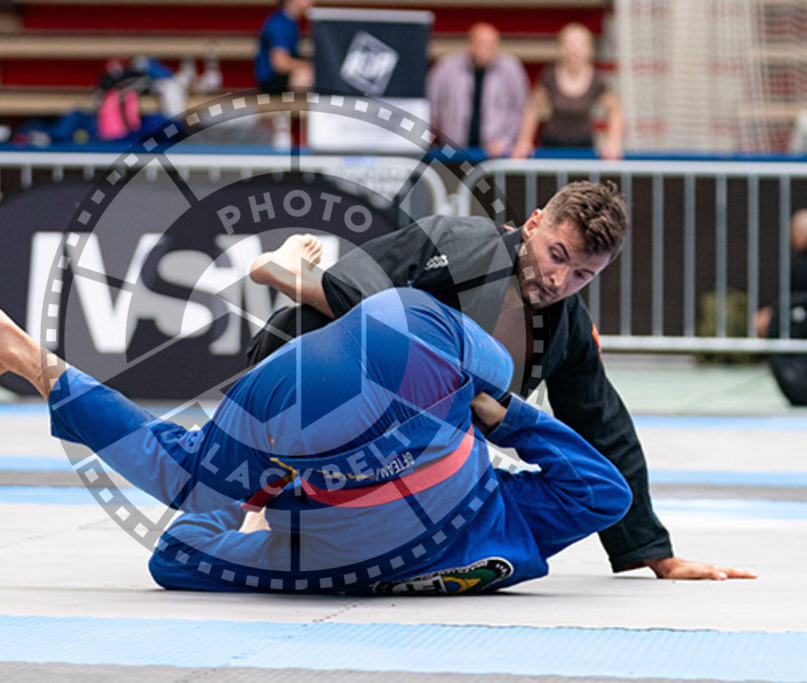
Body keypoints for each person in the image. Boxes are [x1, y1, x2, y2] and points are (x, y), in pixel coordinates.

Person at [0, 288, 633, 595]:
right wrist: (508, 417)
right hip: (341, 445)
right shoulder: (514, 523)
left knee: (190, 478)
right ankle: (23, 354)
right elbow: (607, 492)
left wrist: (502, 411)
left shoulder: (508, 507)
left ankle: (23, 353)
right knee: (184, 502)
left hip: (394, 357)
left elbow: (601, 490)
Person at [247, 181, 756, 581]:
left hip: (423, 447)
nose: (560, 281)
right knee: (343, 312)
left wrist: (653, 553)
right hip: (333, 395)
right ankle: (282, 273)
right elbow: (341, 296)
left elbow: (602, 423)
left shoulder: (567, 328)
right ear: (534, 224)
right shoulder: (449, 244)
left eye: (582, 274)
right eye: (557, 254)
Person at [511, 23, 624, 160]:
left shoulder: (597, 80)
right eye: (569, 43)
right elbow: (532, 109)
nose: (574, 49)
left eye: (579, 44)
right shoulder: (549, 76)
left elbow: (615, 111)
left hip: (584, 147)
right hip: (551, 146)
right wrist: (524, 141)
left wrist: (613, 141)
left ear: (589, 49)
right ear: (561, 47)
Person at [426, 22, 529, 157]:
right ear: (470, 44)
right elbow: (431, 105)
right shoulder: (446, 67)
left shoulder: (511, 69)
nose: (487, 49)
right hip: (453, 153)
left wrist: (506, 142)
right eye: (482, 43)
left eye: (492, 44)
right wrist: (428, 138)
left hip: (497, 153)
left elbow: (522, 109)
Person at [755, 208, 807, 338]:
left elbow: (796, 297)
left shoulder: (801, 265)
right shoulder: (799, 262)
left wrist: (773, 313)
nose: (791, 237)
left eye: (793, 232)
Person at [255, 0, 314, 93]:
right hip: (271, 80)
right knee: (305, 76)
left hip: (279, 77)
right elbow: (280, 63)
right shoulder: (280, 23)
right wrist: (310, 66)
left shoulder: (291, 22)